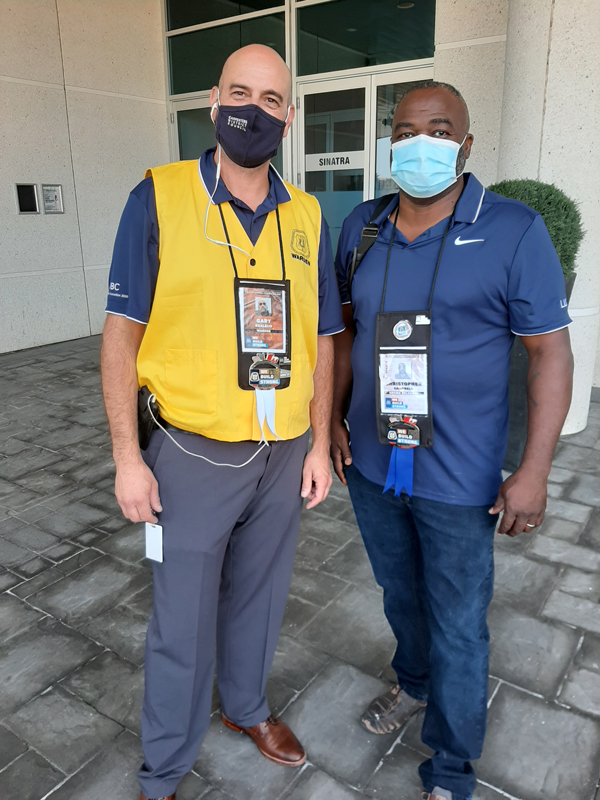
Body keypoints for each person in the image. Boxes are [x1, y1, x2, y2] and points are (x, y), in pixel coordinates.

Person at [101, 44, 343, 800]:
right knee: (182, 616)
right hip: (189, 454)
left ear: (289, 117)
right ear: (213, 102)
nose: (254, 110)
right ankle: (165, 764)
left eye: (271, 100)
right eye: (240, 93)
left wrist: (317, 443)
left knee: (262, 595)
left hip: (283, 452)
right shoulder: (160, 198)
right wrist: (126, 460)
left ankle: (245, 708)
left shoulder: (307, 215)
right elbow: (120, 337)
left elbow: (322, 339)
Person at [331, 81, 573, 800]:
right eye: (404, 130)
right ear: (389, 143)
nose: (419, 143)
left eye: (438, 130)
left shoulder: (513, 229)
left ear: (465, 147)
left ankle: (451, 769)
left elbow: (549, 355)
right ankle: (412, 685)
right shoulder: (362, 227)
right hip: (374, 465)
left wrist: (534, 471)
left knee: (459, 623)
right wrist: (332, 425)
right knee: (399, 595)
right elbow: (339, 337)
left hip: (461, 478)